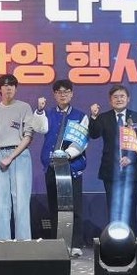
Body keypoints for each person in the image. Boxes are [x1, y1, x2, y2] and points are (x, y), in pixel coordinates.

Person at [0, 74, 42, 241]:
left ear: (16, 88)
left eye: (12, 85)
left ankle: (23, 242)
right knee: (0, 203)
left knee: (21, 201)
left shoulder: (24, 107)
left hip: (20, 155)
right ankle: (3, 243)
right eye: (5, 85)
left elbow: (28, 136)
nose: (8, 88)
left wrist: (11, 157)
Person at [36, 79, 88, 258]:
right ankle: (58, 243)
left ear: (71, 94)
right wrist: (39, 110)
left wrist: (66, 155)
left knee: (75, 207)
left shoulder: (80, 116)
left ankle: (76, 244)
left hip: (72, 166)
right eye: (59, 92)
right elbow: (40, 128)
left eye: (66, 91)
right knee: (55, 207)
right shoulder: (48, 113)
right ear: (54, 95)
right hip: (51, 167)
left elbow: (81, 141)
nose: (63, 94)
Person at [88, 84, 137, 234]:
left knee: (130, 207)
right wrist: (94, 117)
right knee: (113, 207)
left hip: (131, 170)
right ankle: (114, 241)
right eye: (115, 97)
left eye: (122, 96)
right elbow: (94, 134)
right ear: (110, 100)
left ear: (128, 99)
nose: (119, 99)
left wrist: (131, 158)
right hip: (110, 170)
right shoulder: (103, 117)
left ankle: (132, 240)